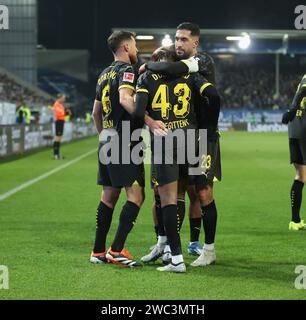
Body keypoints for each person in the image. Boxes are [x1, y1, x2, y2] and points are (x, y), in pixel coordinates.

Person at [133, 46, 220, 272]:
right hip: (194, 139)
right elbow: (213, 96)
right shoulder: (190, 75)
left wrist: (147, 123)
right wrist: (209, 127)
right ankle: (200, 248)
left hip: (164, 140)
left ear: (161, 60)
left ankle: (176, 258)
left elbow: (137, 112)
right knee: (201, 193)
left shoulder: (147, 77)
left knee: (168, 199)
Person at [90, 30, 145, 268]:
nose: (136, 49)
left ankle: (98, 250)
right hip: (125, 141)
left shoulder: (103, 74)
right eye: (133, 45)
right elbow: (125, 100)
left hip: (108, 140)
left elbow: (96, 112)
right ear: (125, 47)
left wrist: (103, 135)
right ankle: (117, 249)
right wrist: (149, 120)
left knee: (109, 196)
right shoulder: (127, 71)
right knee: (136, 195)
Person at [282, 74, 306, 230]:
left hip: (295, 126)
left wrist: (292, 110)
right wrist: (292, 108)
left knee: (301, 176)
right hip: (304, 125)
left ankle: (295, 221)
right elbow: (303, 91)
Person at [52, 94, 67, 160]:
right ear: (60, 98)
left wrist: (66, 113)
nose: (64, 99)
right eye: (63, 98)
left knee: (59, 138)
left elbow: (62, 113)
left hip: (61, 121)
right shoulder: (57, 104)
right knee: (57, 138)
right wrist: (65, 113)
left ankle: (57, 153)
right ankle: (56, 154)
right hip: (58, 122)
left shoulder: (60, 105)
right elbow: (58, 114)